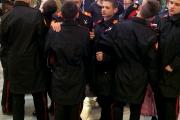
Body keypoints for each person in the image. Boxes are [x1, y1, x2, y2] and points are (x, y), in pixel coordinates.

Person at [97, 0, 160, 119]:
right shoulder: (151, 34)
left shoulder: (121, 26)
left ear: (139, 8)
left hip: (121, 72)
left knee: (118, 106)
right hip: (139, 77)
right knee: (135, 109)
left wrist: (107, 56)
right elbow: (151, 63)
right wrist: (155, 84)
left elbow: (104, 41)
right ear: (152, 17)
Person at [0, 0, 49, 120]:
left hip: (15, 64)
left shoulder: (6, 17)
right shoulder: (36, 14)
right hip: (34, 64)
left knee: (17, 99)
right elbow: (42, 39)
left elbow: (3, 42)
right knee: (39, 98)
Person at [45, 1, 90, 120]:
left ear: (62, 14)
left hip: (59, 76)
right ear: (77, 14)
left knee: (59, 113)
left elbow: (47, 52)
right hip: (77, 76)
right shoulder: (84, 33)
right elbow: (87, 56)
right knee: (74, 113)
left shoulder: (54, 31)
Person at [92, 0, 119, 119]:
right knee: (102, 101)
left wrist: (107, 57)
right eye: (102, 7)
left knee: (109, 105)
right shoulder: (98, 25)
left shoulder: (119, 26)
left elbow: (122, 51)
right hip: (98, 71)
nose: (103, 9)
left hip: (112, 71)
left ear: (115, 10)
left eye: (107, 7)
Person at [157, 0, 180, 119]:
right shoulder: (162, 19)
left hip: (173, 75)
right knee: (160, 109)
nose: (172, 6)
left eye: (177, 4)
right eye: (171, 3)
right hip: (159, 73)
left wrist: (173, 65)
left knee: (170, 111)